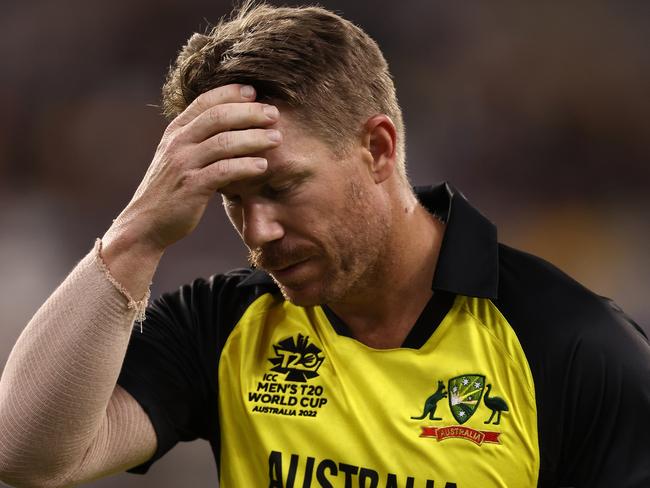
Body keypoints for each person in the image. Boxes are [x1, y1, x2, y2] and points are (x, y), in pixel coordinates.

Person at [0, 2, 648, 487]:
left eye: (282, 187)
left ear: (378, 148)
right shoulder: (223, 325)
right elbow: (26, 457)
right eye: (233, 200)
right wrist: (137, 233)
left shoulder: (573, 346)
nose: (258, 235)